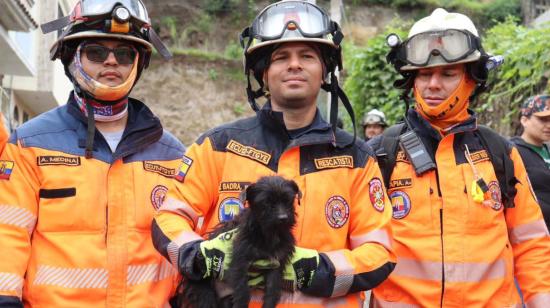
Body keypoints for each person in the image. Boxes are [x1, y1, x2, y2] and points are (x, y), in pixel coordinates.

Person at [151, 1, 396, 307]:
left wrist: (318, 270)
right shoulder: (218, 146)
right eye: (281, 57)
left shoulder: (356, 158)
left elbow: (380, 253)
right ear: (263, 74)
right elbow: (167, 218)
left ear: (325, 72)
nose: (294, 64)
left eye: (307, 55)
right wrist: (196, 254)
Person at [0, 1, 185, 307]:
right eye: (96, 52)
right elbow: (8, 232)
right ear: (73, 57)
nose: (112, 61)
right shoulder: (29, 144)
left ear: (138, 63)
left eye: (125, 54)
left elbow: (183, 243)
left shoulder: (172, 154)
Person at [369, 8, 550, 307]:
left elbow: (531, 243)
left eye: (448, 73)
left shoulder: (500, 153)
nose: (433, 84)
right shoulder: (382, 152)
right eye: (424, 74)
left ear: (472, 78)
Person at [511, 95, 550, 229]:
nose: (549, 125)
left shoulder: (548, 150)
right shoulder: (512, 152)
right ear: (524, 120)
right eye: (543, 120)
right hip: (533, 235)